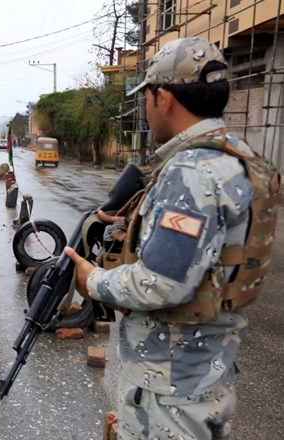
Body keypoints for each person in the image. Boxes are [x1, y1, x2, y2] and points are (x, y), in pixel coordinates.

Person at [64, 37, 279, 439]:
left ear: (163, 98)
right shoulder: (239, 157)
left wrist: (92, 280)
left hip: (169, 386)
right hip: (205, 368)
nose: (144, 108)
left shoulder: (193, 171)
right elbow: (210, 251)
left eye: (145, 96)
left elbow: (161, 284)